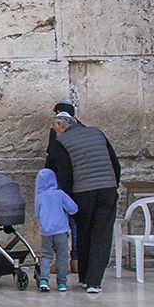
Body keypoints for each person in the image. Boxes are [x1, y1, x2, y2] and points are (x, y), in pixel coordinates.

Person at [43, 103, 120, 294]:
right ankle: (94, 282)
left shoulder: (62, 142)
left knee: (84, 233)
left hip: (83, 192)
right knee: (102, 235)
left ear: (61, 125)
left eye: (55, 129)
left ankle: (85, 278)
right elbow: (115, 164)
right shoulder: (97, 133)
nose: (55, 133)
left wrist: (67, 199)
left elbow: (65, 175)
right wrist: (113, 186)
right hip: (107, 189)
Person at [31, 167, 77, 292]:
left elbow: (37, 214)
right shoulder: (60, 194)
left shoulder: (39, 197)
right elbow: (73, 208)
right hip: (60, 230)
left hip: (46, 231)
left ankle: (44, 280)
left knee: (46, 255)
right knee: (62, 256)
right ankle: (61, 282)